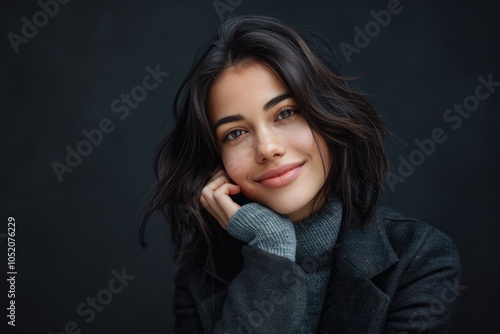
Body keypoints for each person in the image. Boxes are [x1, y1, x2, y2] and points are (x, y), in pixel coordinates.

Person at [139, 15, 462, 333]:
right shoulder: (201, 279)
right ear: (217, 163)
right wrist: (272, 250)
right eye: (235, 133)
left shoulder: (419, 257)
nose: (267, 148)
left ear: (327, 117)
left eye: (286, 113)